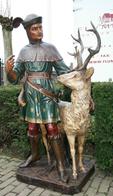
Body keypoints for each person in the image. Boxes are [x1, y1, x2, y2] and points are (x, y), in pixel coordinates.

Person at [5, 14, 70, 183]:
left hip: (47, 92)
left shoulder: (51, 48)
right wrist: (9, 70)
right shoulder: (23, 51)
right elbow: (14, 78)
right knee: (32, 128)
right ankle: (34, 155)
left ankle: (61, 165)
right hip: (31, 93)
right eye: (35, 28)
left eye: (40, 27)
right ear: (27, 31)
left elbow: (63, 71)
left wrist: (78, 76)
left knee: (51, 128)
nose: (39, 31)